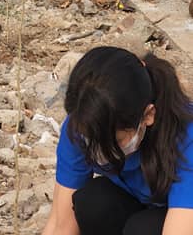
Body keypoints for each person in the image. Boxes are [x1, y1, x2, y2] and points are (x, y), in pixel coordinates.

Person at [43, 45, 193, 235]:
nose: (100, 151)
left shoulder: (187, 138)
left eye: (115, 140)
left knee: (141, 230)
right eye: (91, 140)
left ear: (148, 115)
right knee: (94, 203)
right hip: (143, 203)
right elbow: (60, 225)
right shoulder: (84, 124)